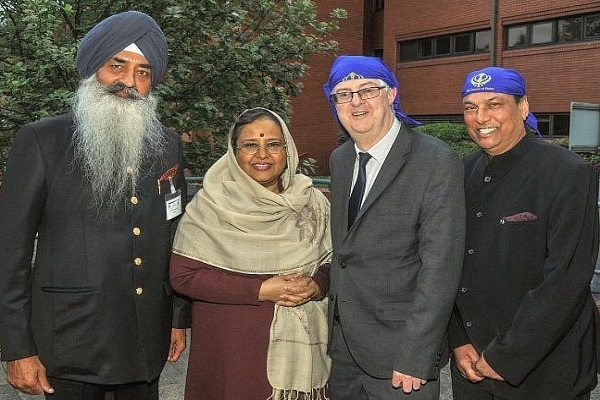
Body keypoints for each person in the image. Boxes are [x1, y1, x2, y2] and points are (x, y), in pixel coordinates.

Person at [0, 11, 190, 399]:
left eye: (143, 72)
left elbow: (175, 233)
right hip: (69, 341)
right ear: (92, 68)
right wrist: (17, 348)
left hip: (143, 338)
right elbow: (10, 254)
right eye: (117, 66)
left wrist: (177, 317)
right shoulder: (41, 140)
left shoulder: (166, 145)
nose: (129, 82)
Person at [448, 66, 599, 400]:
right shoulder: (460, 172)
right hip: (471, 366)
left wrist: (507, 356)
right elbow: (448, 262)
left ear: (523, 107)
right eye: (470, 108)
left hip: (545, 371)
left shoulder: (568, 173)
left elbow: (566, 277)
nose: (481, 116)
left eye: (494, 104)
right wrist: (458, 339)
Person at [322, 55, 466, 399]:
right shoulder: (340, 160)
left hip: (400, 352)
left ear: (392, 94)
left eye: (368, 89)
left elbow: (440, 268)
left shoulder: (436, 160)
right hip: (343, 348)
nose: (356, 101)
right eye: (343, 94)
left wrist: (417, 355)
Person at [170, 107, 332, 400]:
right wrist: (260, 289)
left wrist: (316, 284)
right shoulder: (211, 206)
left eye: (273, 144)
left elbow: (335, 264)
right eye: (250, 145)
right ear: (234, 153)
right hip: (230, 350)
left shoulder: (314, 203)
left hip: (303, 351)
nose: (262, 155)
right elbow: (183, 276)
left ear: (288, 150)